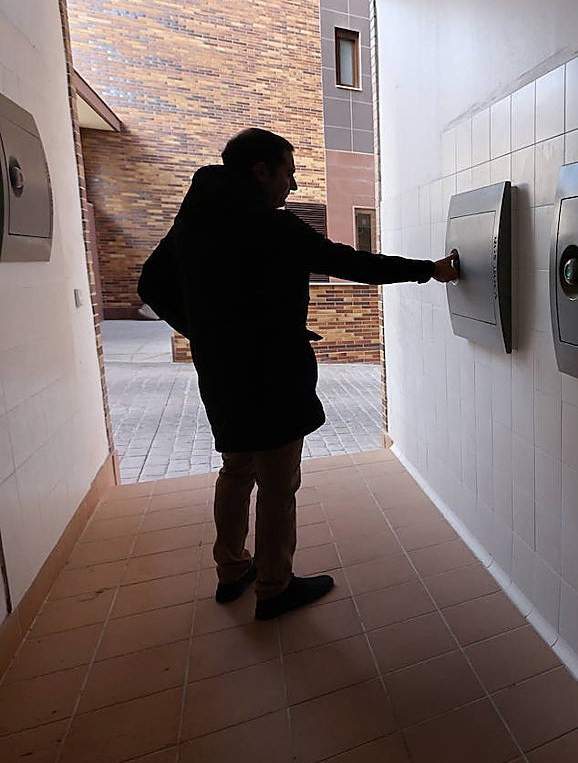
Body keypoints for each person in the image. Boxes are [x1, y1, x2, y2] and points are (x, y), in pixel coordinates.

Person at [138, 127, 457, 620]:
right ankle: (274, 586)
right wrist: (427, 269)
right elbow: (349, 263)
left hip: (221, 371)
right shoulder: (272, 226)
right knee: (277, 481)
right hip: (273, 373)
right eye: (288, 172)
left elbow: (151, 283)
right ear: (260, 171)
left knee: (236, 468)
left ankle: (231, 569)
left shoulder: (194, 221)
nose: (292, 184)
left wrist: (205, 332)